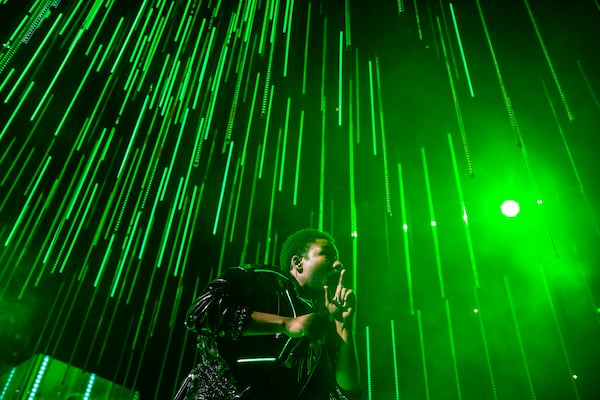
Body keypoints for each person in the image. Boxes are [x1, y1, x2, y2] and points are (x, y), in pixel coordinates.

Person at [174, 229, 360, 399]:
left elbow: (344, 388)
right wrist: (288, 324)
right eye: (328, 254)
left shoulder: (324, 321)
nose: (338, 264)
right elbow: (202, 312)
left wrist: (344, 328)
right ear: (297, 262)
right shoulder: (263, 279)